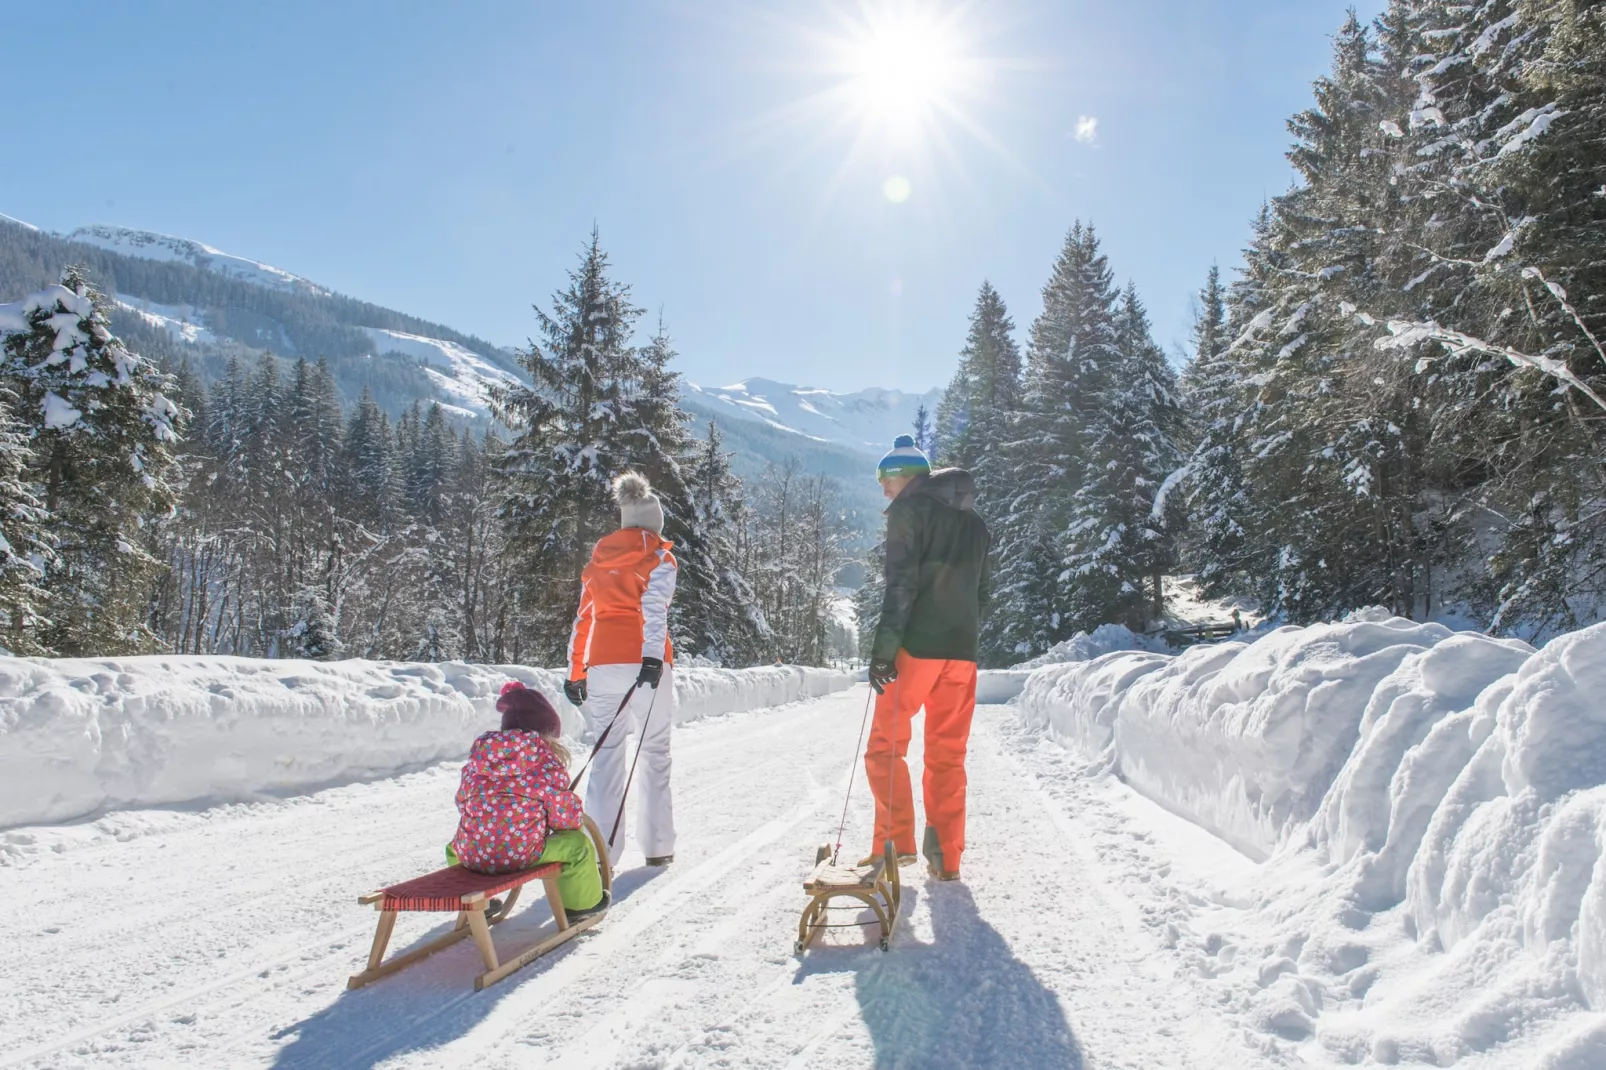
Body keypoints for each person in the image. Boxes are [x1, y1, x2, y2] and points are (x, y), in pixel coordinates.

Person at [864, 434, 991, 881]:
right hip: (963, 653)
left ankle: (894, 846)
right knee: (947, 755)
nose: (883, 489)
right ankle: (947, 858)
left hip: (915, 649)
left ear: (907, 477)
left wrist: (883, 653)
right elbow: (983, 592)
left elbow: (901, 586)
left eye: (886, 478)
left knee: (885, 747)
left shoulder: (908, 512)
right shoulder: (974, 523)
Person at [562, 472, 678, 867]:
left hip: (602, 663)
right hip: (647, 665)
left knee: (607, 752)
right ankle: (658, 845)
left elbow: (584, 618)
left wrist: (576, 671)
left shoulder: (598, 560)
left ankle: (601, 853)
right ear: (654, 523)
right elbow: (653, 608)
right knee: (654, 751)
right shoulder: (660, 556)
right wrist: (650, 657)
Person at [447, 681, 608, 918]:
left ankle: (477, 900)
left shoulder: (478, 760)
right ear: (546, 734)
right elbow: (566, 820)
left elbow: (462, 802)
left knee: (454, 848)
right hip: (522, 853)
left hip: (473, 854)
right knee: (578, 845)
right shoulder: (544, 763)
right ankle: (582, 905)